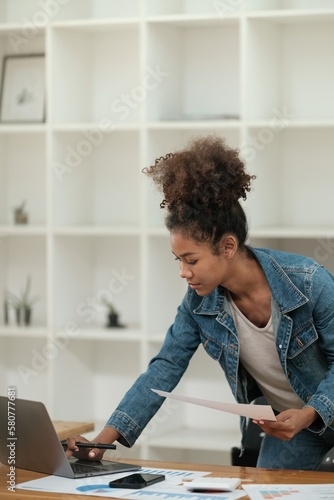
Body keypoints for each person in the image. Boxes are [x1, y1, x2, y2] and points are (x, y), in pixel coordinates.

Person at [66, 135, 334, 470]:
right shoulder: (198, 303)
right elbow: (165, 366)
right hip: (296, 429)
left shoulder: (308, 282)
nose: (183, 272)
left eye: (191, 260)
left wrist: (311, 412)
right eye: (177, 260)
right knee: (268, 492)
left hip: (314, 414)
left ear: (228, 247)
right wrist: (102, 441)